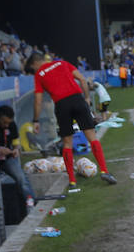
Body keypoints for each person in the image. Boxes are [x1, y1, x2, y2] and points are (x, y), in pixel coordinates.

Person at [30, 53, 117, 189]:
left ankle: (72, 181)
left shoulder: (39, 75)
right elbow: (82, 79)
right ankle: (104, 171)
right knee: (92, 137)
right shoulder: (62, 63)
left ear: (35, 63)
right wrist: (87, 98)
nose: (33, 70)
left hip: (61, 105)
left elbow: (38, 100)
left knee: (67, 143)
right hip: (77, 99)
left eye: (32, 68)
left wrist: (35, 120)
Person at [0, 105, 34, 207]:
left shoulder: (11, 125)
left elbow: (16, 141)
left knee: (21, 178)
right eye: (4, 122)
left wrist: (16, 150)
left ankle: (31, 203)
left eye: (8, 122)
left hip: (7, 159)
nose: (7, 125)